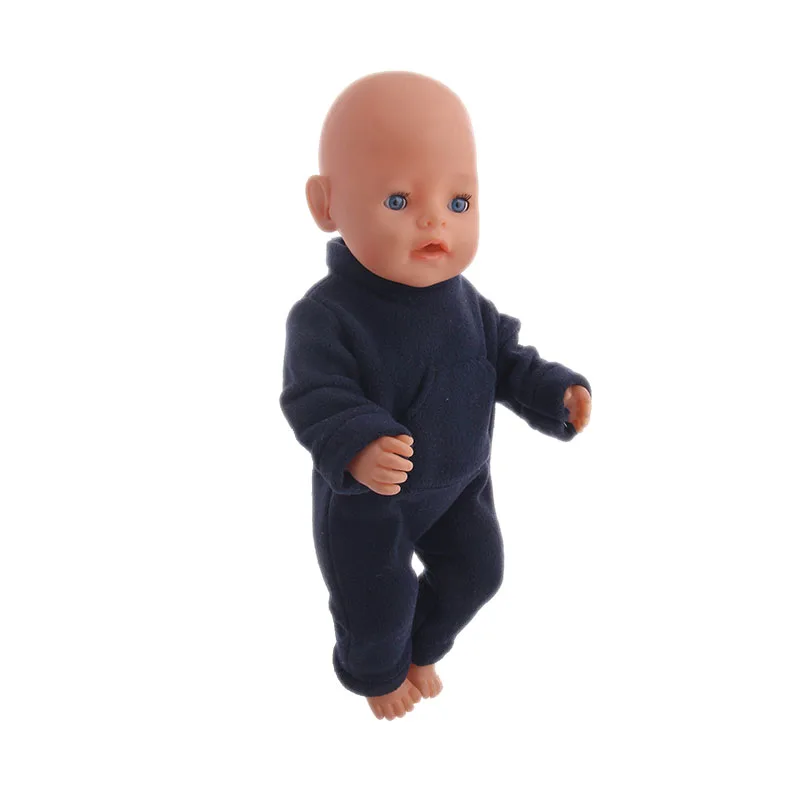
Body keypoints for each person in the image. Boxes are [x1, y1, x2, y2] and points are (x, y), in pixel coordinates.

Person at [280, 71, 592, 720]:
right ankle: (377, 674)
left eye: (459, 201)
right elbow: (315, 394)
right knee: (376, 602)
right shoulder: (326, 315)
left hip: (460, 485)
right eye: (398, 200)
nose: (434, 219)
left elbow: (507, 358)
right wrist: (358, 443)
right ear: (326, 205)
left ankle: (421, 649)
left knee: (479, 572)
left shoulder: (465, 301)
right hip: (371, 501)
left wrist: (554, 393)